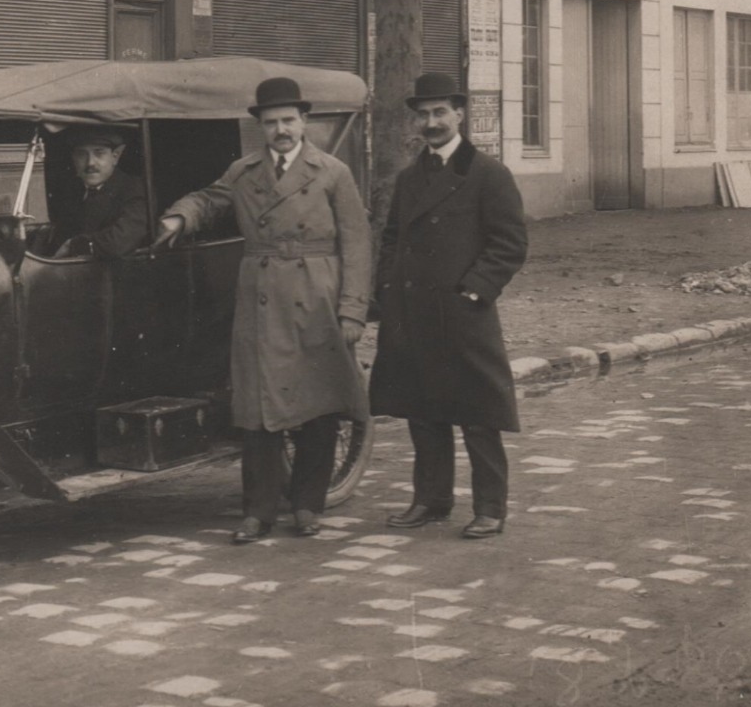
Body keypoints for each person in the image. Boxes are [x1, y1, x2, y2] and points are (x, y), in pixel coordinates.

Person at [155, 77, 371, 542]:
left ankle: (308, 505)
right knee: (256, 407)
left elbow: (357, 244)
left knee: (318, 404)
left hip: (316, 294)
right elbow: (208, 199)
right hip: (261, 294)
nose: (281, 130)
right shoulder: (243, 171)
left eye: (289, 120)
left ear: (304, 122)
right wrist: (179, 215)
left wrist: (352, 311)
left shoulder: (332, 172)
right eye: (271, 122)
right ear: (260, 127)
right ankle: (258, 510)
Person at [370, 72, 528, 541]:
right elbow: (393, 238)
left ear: (460, 114)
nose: (431, 122)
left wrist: (474, 291)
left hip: (463, 314)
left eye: (440, 112)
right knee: (424, 411)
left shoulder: (487, 174)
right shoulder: (409, 178)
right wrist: (387, 288)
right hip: (414, 312)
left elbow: (509, 244)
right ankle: (431, 500)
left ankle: (490, 508)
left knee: (478, 414)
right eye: (424, 114)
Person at [46, 124, 149, 259]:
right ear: (73, 158)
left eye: (99, 153)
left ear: (115, 157)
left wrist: (73, 245)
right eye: (82, 154)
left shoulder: (133, 188)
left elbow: (120, 241)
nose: (90, 163)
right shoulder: (73, 191)